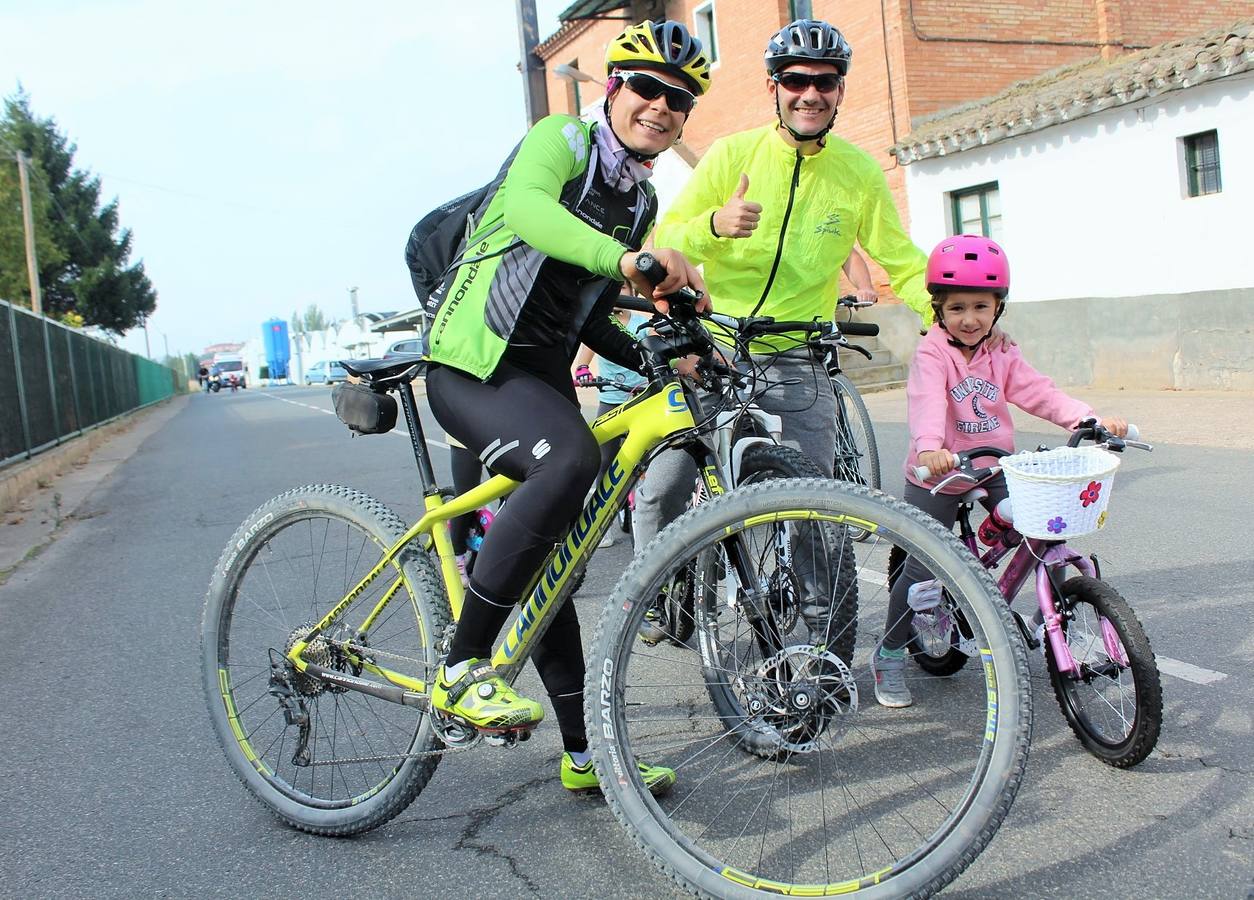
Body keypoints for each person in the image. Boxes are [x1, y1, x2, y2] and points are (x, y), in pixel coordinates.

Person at [420, 20, 711, 794]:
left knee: (552, 574)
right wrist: (626, 262)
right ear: (614, 88)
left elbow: (583, 312)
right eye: (646, 87)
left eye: (678, 99)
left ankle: (586, 758)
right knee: (572, 460)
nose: (660, 105)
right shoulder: (561, 141)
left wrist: (654, 349)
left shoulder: (639, 197)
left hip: (537, 383)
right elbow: (527, 215)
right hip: (472, 367)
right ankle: (459, 667)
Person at [634, 18, 934, 647]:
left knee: (815, 513)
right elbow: (665, 239)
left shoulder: (856, 172)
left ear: (840, 90)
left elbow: (902, 261)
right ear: (774, 86)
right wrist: (714, 223)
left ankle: (825, 647)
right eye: (796, 79)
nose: (810, 93)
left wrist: (955, 326)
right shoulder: (732, 155)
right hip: (709, 351)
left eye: (824, 82)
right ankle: (661, 597)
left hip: (797, 357)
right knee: (662, 491)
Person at [873, 234, 1128, 707]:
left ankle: (995, 591)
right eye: (956, 308)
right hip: (939, 472)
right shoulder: (933, 353)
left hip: (992, 467)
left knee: (1032, 519)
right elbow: (926, 401)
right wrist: (931, 448)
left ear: (998, 309)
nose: (969, 319)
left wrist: (1087, 420)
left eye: (980, 307)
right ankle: (888, 654)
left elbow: (1040, 392)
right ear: (938, 311)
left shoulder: (1002, 352)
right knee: (921, 566)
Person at [572, 306, 650, 548]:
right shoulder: (601, 324)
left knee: (646, 460)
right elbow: (584, 358)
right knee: (604, 462)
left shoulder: (640, 323)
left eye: (624, 287)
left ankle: (645, 517)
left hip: (641, 399)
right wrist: (583, 370)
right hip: (611, 400)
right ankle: (602, 523)